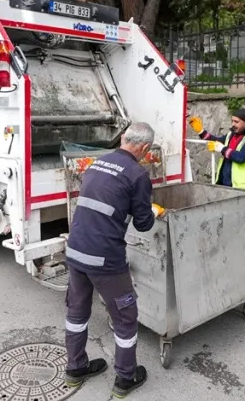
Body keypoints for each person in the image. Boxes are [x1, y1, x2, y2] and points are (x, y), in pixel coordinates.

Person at [63, 122, 166, 398]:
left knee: (77, 312)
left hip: (75, 249)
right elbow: (143, 224)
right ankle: (125, 377)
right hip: (104, 259)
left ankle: (75, 369)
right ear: (144, 149)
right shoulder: (137, 174)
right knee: (125, 316)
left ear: (122, 138)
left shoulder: (96, 163)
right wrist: (153, 210)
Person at [188, 108, 245, 191]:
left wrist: (222, 148)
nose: (233, 124)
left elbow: (241, 157)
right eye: (232, 121)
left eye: (236, 122)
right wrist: (201, 131)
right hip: (227, 185)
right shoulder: (231, 135)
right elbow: (216, 142)